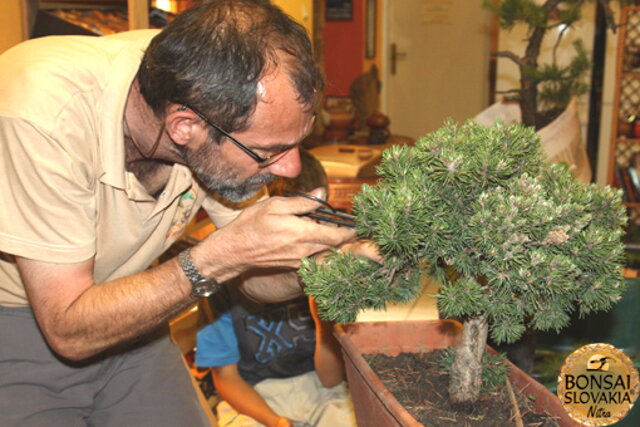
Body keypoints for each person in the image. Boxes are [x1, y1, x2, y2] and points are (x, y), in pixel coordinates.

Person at [0, 1, 376, 425]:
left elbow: (259, 280)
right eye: (270, 150)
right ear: (184, 128)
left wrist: (320, 265)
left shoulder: (209, 96)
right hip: (19, 319)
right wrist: (220, 256)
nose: (290, 169)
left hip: (130, 304)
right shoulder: (41, 116)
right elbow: (68, 329)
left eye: (295, 145)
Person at [195, 150, 355, 427]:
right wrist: (277, 422)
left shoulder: (326, 266)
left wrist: (323, 320)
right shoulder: (223, 279)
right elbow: (227, 380)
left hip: (320, 388)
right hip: (256, 397)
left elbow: (331, 378)